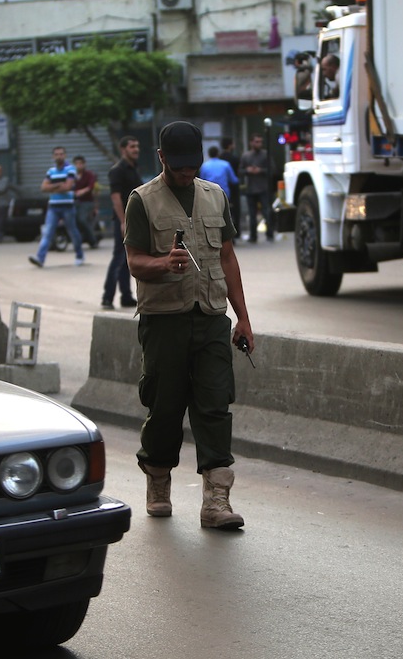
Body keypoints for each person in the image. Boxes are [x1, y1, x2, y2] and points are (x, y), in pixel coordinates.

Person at [124, 120, 255, 530]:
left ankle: (216, 501)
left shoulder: (215, 195)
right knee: (164, 407)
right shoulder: (141, 200)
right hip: (164, 322)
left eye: (193, 164)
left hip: (212, 318)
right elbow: (134, 262)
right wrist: (163, 263)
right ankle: (158, 480)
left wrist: (244, 318)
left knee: (215, 405)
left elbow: (228, 258)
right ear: (161, 157)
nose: (186, 173)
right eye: (179, 165)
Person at [101, 136, 141, 309]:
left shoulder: (133, 168)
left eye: (137, 146)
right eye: (132, 146)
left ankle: (126, 296)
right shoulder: (117, 170)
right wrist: (123, 221)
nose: (136, 149)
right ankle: (107, 297)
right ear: (123, 149)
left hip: (134, 220)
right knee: (119, 258)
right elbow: (115, 197)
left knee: (126, 259)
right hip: (123, 221)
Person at [28, 146, 84, 268]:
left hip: (67, 205)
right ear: (53, 156)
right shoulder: (51, 171)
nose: (59, 156)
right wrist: (59, 184)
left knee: (72, 231)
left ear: (65, 155)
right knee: (48, 232)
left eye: (61, 154)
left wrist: (52, 186)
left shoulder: (71, 169)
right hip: (53, 206)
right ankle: (40, 258)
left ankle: (79, 255)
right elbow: (43, 188)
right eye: (57, 154)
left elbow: (68, 187)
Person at [239, 133, 274, 243]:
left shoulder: (266, 155)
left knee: (266, 212)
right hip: (251, 189)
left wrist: (260, 170)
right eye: (257, 141)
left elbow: (272, 170)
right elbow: (240, 171)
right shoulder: (246, 156)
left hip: (263, 188)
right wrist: (247, 171)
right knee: (252, 213)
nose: (259, 144)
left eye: (260, 142)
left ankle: (270, 234)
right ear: (251, 142)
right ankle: (253, 236)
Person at [219, 137, 243, 240]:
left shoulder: (219, 158)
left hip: (221, 188)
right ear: (230, 145)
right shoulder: (234, 158)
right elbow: (236, 175)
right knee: (235, 211)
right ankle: (235, 232)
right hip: (232, 188)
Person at [72, 156, 99, 248]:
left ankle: (92, 239)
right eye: (77, 164)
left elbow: (91, 186)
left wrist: (82, 191)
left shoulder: (89, 174)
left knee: (82, 219)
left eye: (80, 163)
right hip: (74, 202)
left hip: (87, 202)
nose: (79, 166)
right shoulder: (72, 175)